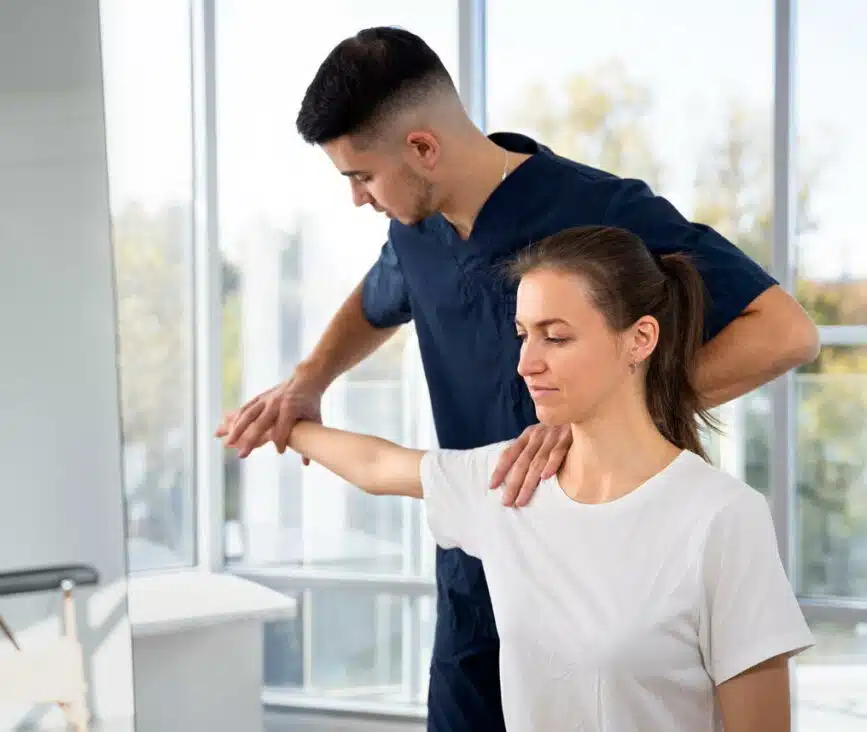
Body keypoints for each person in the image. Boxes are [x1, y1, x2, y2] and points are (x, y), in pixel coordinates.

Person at [216, 27, 820, 732]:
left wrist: (604, 419)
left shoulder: (601, 214)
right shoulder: (415, 231)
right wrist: (307, 380)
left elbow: (784, 332)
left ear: (421, 147)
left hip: (603, 584)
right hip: (476, 583)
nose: (357, 198)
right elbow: (379, 298)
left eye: (361, 175)